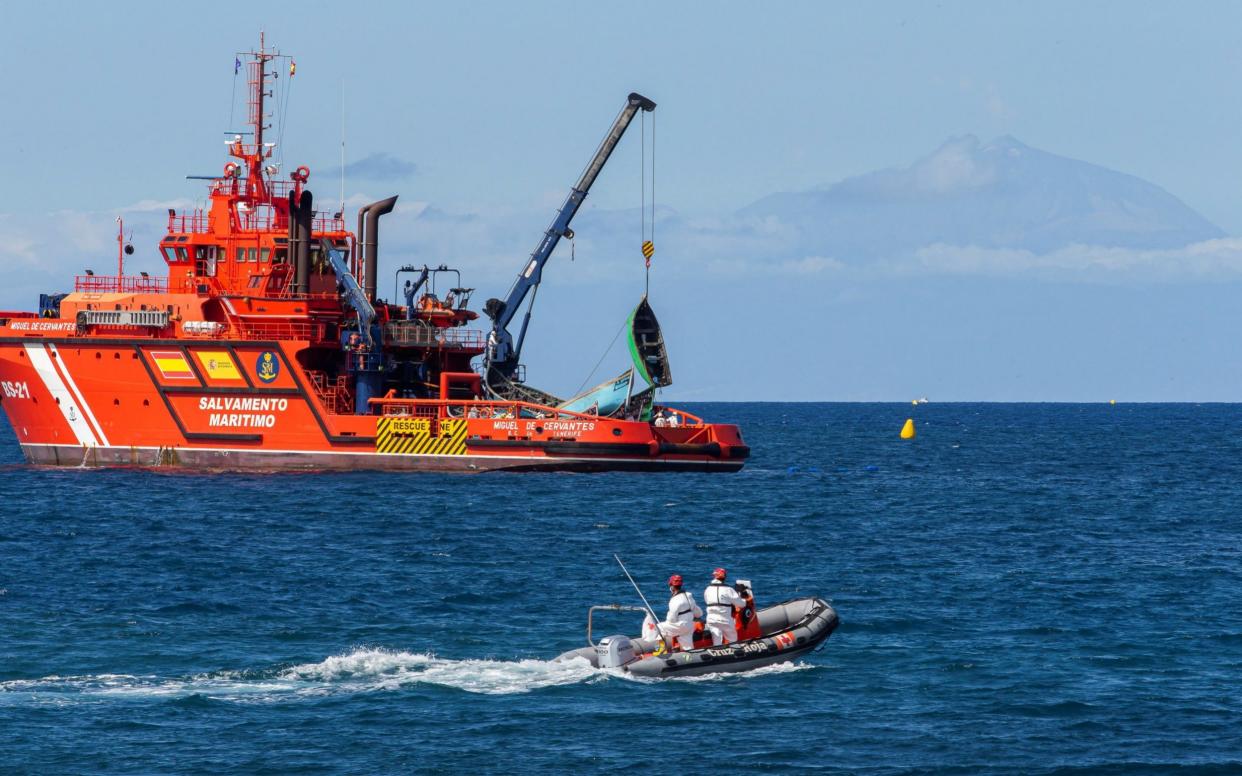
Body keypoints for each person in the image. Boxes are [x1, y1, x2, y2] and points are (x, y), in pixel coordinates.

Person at [703, 567, 750, 645]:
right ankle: (735, 653)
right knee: (733, 639)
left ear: (715, 576)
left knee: (717, 641)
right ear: (724, 577)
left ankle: (717, 653)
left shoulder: (707, 589)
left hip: (711, 618)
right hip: (725, 619)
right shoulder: (728, 589)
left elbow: (707, 601)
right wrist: (747, 600)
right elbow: (741, 604)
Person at [657, 574, 702, 652]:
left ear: (671, 586)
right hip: (689, 626)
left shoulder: (674, 600)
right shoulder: (689, 597)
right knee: (688, 648)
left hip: (680, 626)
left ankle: (661, 650)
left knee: (658, 628)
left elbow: (671, 619)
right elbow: (699, 613)